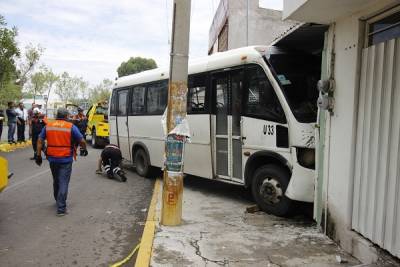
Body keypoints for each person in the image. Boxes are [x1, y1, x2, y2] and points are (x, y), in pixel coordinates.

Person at [36, 107, 88, 216]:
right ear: (65, 116)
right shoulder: (71, 127)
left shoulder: (48, 126)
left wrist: (38, 155)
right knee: (63, 181)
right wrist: (84, 149)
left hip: (52, 158)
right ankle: (61, 209)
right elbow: (82, 140)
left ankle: (58, 200)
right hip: (65, 158)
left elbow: (40, 141)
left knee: (56, 180)